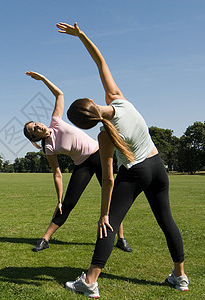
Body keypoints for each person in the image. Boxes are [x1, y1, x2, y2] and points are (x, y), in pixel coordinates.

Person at [56, 22, 189, 298]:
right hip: (157, 166)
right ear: (92, 101)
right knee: (167, 221)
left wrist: (105, 213)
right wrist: (81, 36)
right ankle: (180, 276)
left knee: (109, 224)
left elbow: (108, 179)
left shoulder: (104, 137)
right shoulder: (119, 100)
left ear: (86, 125)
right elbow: (100, 61)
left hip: (136, 172)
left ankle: (90, 281)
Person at [23, 71, 132, 253]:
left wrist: (42, 79)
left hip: (100, 155)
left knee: (112, 199)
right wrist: (58, 198)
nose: (38, 125)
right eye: (33, 128)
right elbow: (57, 173)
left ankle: (121, 239)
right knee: (67, 204)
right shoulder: (48, 148)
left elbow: (60, 94)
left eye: (35, 123)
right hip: (82, 165)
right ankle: (45, 239)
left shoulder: (55, 121)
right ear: (34, 135)